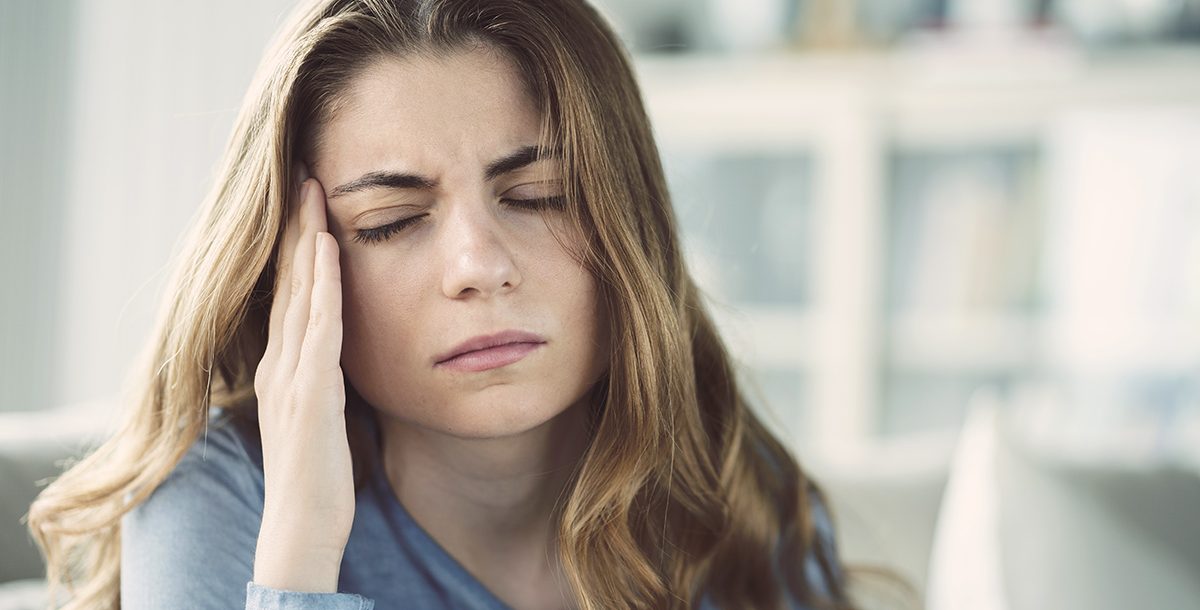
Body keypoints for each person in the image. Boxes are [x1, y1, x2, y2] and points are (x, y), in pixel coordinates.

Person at [28, 1, 855, 608]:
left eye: (540, 195)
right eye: (391, 223)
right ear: (291, 271)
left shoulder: (737, 495)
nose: (478, 267)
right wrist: (301, 557)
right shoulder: (221, 500)